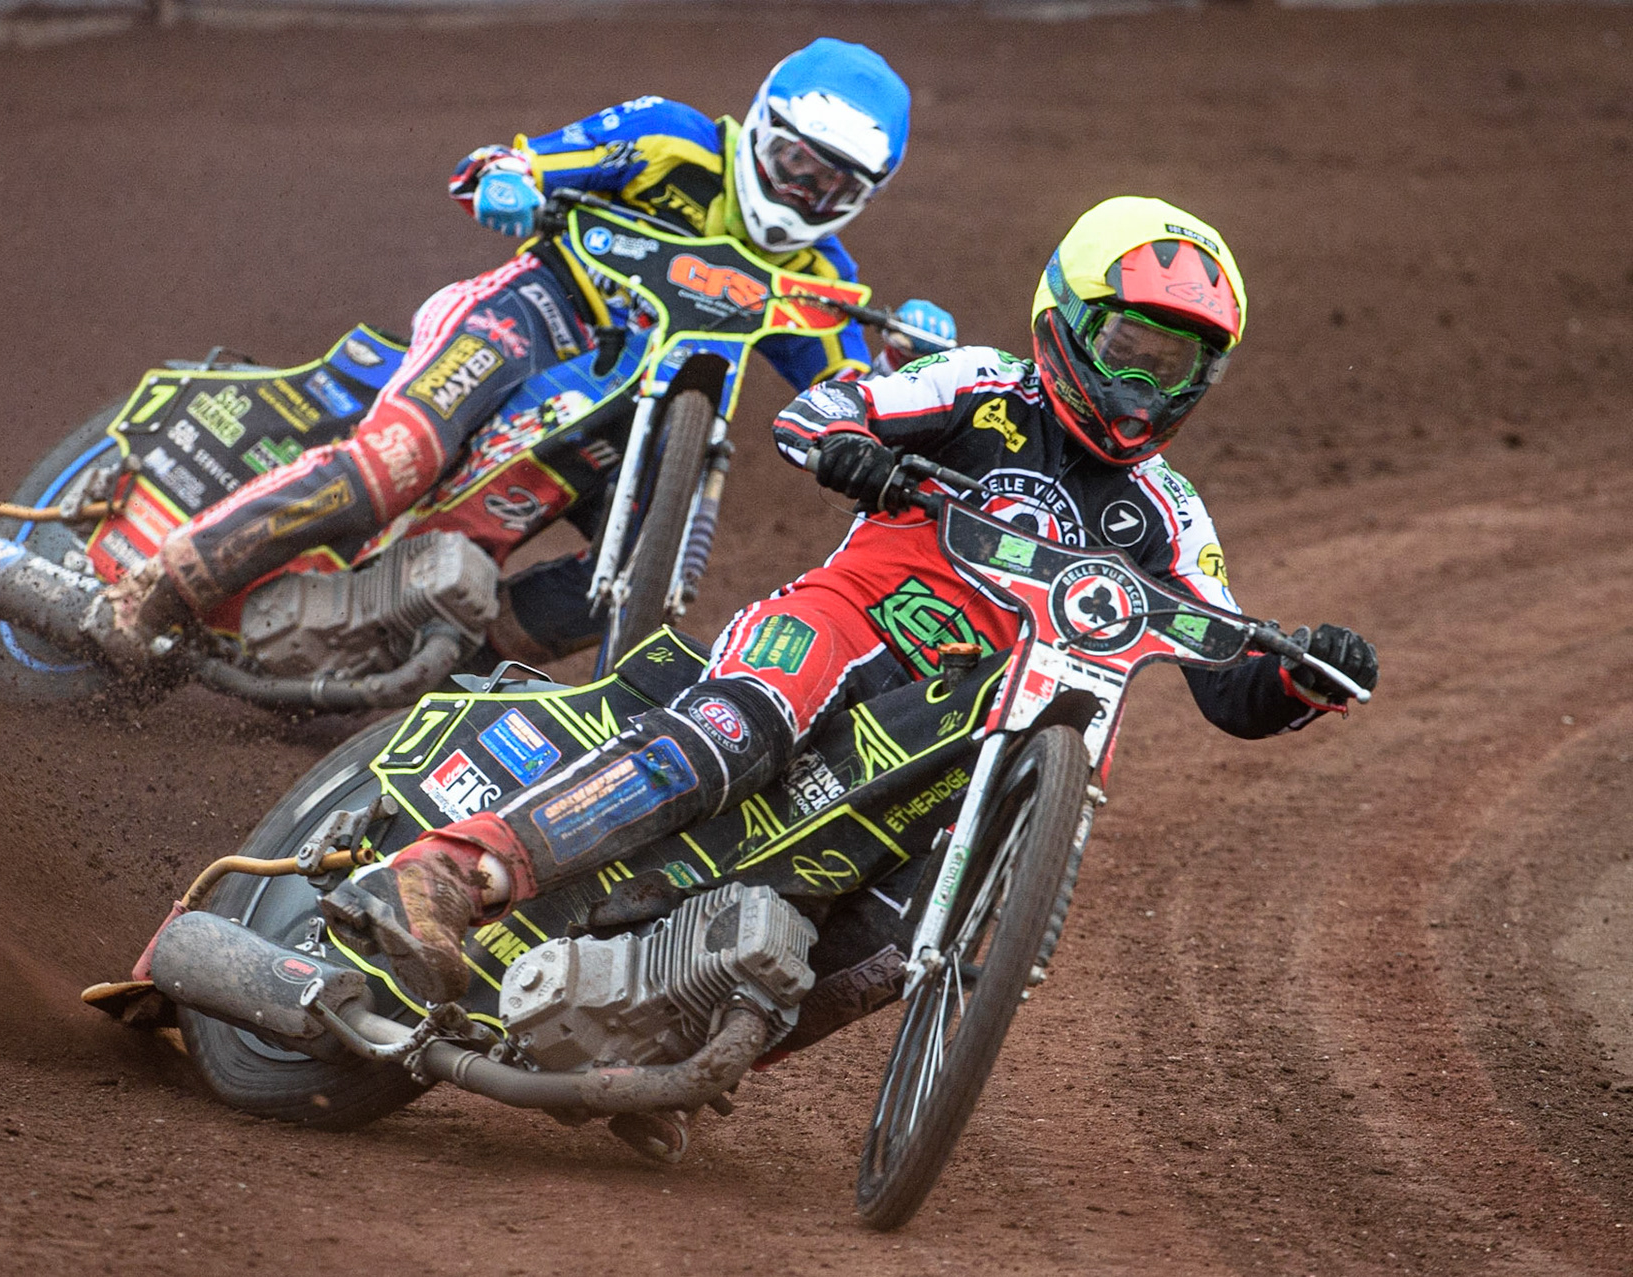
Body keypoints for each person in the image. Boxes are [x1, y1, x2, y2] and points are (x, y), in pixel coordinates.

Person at [336, 195, 1381, 1013]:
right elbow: (826, 409)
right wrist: (861, 457)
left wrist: (1302, 671)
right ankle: (455, 869)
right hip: (847, 625)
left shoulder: (1168, 512)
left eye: (1178, 370)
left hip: (964, 745)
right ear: (1064, 322)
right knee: (733, 731)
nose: (1146, 392)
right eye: (1128, 355)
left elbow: (1229, 679)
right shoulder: (979, 386)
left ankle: (687, 1037)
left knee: (902, 939)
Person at [89, 38, 956, 671]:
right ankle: (156, 590)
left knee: (623, 593)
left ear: (860, 198)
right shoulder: (670, 139)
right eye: (794, 164)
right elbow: (521, 159)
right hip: (533, 322)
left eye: (831, 186)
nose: (803, 194)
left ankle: (394, 673)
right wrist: (512, 181)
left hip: (632, 424)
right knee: (399, 461)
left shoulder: (821, 278)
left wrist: (906, 373)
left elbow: (850, 397)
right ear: (759, 126)